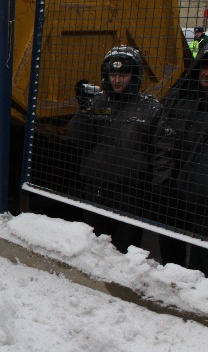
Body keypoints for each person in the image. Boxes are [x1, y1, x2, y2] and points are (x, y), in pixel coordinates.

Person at [67, 46, 174, 254]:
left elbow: (163, 150)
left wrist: (159, 188)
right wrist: (84, 112)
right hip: (96, 191)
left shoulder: (150, 108)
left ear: (134, 76)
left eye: (123, 75)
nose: (117, 80)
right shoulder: (100, 103)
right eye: (112, 75)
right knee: (92, 250)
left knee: (123, 253)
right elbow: (79, 139)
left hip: (130, 196)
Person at [159, 50, 208, 274]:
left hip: (201, 192)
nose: (206, 73)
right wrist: (163, 175)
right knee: (170, 238)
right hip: (172, 181)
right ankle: (171, 277)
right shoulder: (179, 96)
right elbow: (160, 137)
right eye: (204, 67)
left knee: (201, 249)